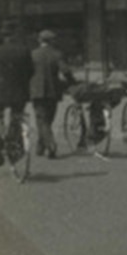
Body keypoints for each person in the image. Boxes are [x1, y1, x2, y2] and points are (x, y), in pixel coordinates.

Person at [0, 23, 33, 170]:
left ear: (3, 36)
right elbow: (31, 71)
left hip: (1, 93)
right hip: (20, 93)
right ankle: (15, 147)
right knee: (17, 116)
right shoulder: (24, 50)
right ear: (16, 35)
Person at [30, 30, 73, 159]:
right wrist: (72, 82)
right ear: (52, 41)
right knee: (47, 119)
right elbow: (65, 70)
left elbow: (26, 72)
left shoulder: (33, 54)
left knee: (42, 119)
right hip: (53, 91)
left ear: (40, 40)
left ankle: (48, 145)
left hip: (36, 91)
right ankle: (44, 145)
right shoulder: (57, 54)